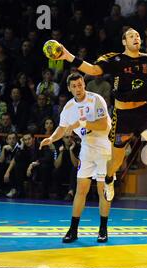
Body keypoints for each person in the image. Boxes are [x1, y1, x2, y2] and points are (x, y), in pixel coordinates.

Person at [54, 28, 147, 211]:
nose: (136, 38)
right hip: (122, 116)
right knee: (115, 162)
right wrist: (68, 56)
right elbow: (93, 70)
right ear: (124, 42)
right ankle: (108, 180)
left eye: (137, 35)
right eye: (131, 36)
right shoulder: (115, 59)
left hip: (143, 113)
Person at [40, 73, 112, 243]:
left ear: (84, 85)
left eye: (80, 85)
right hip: (87, 149)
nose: (78, 89)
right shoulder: (68, 107)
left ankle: (103, 230)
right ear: (69, 88)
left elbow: (104, 124)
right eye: (74, 86)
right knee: (81, 189)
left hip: (104, 148)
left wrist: (81, 123)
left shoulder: (96, 100)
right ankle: (73, 230)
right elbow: (62, 127)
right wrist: (51, 138)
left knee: (103, 190)